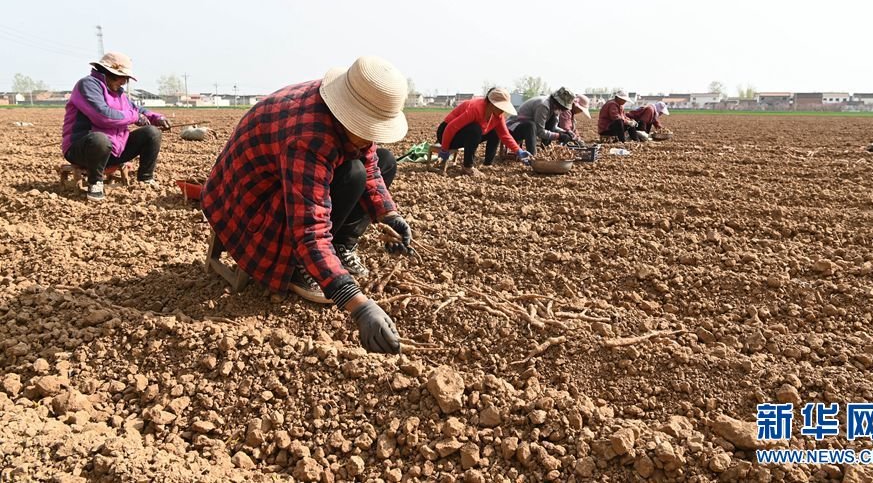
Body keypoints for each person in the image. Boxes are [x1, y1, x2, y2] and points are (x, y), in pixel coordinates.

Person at [201, 56, 412, 354]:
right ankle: (302, 265)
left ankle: (338, 249)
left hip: (282, 180)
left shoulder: (346, 109)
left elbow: (372, 161)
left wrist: (389, 215)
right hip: (246, 204)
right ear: (346, 114)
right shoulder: (309, 136)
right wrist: (356, 303)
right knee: (353, 174)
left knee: (383, 163)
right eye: (367, 129)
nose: (370, 139)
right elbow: (309, 229)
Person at [62, 52, 171, 201]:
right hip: (83, 149)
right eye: (123, 78)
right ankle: (95, 183)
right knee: (100, 139)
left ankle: (146, 179)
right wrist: (134, 117)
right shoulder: (88, 85)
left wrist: (156, 118)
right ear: (109, 73)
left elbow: (136, 109)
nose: (125, 82)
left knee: (152, 133)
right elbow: (103, 116)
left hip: (113, 150)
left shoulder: (119, 94)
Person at [436, 88, 529, 176]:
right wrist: (444, 149)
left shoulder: (498, 116)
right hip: (446, 133)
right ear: (492, 103)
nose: (502, 111)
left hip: (465, 134)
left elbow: (505, 135)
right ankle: (467, 166)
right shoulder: (475, 109)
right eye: (501, 107)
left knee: (494, 131)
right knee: (475, 129)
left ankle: (488, 164)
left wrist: (518, 151)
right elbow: (451, 127)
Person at [506, 87, 576, 154]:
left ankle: (545, 150)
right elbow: (540, 132)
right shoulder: (543, 105)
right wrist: (559, 136)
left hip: (528, 128)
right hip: (513, 128)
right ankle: (532, 156)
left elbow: (553, 128)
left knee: (553, 119)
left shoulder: (554, 108)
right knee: (531, 126)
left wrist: (565, 132)